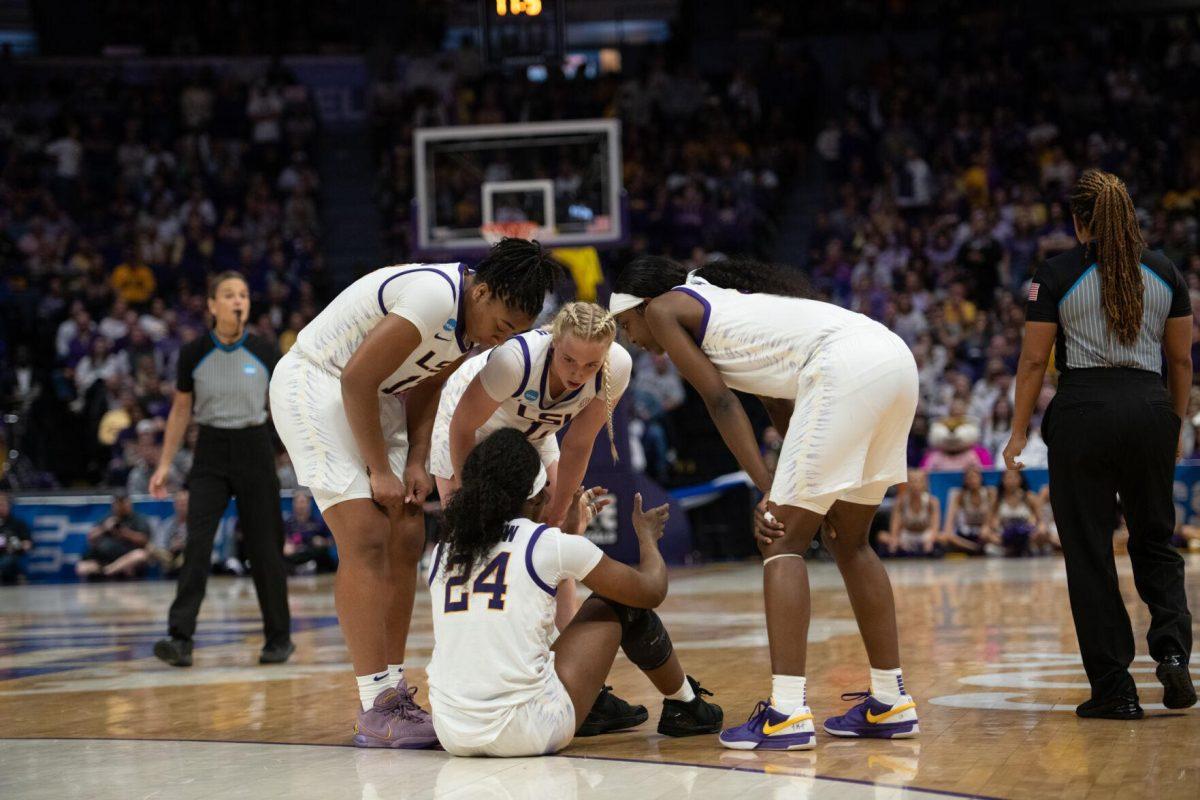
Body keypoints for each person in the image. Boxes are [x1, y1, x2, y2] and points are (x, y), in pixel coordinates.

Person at [612, 255, 919, 750]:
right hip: (893, 360)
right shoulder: (732, 311)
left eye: (627, 324)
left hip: (844, 365)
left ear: (644, 306)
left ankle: (787, 712)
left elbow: (720, 402)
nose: (632, 338)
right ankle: (890, 700)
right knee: (849, 541)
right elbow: (779, 403)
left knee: (780, 541)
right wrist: (786, 486)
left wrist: (769, 491)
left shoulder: (668, 309)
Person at [269, 238, 561, 748]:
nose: (500, 340)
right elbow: (357, 377)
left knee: (407, 530)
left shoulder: (471, 325)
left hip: (374, 395)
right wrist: (381, 469)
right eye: (502, 327)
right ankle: (373, 703)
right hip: (318, 381)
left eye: (515, 334)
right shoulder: (432, 294)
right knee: (364, 533)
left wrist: (418, 460)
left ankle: (393, 692)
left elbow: (427, 386)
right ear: (483, 291)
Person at [1004, 168, 1196, 718]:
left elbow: (1035, 360)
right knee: (1156, 541)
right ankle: (1174, 656)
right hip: (1149, 408)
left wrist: (1018, 432)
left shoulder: (1056, 274)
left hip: (1083, 410)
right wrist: (1174, 424)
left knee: (1090, 554)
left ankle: (1116, 690)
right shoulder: (1164, 271)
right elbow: (1181, 360)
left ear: (1077, 221)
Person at [424, 428, 722, 756]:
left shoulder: (445, 548)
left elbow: (522, 610)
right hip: (526, 730)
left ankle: (596, 704)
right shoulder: (545, 544)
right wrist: (646, 539)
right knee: (619, 599)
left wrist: (570, 536)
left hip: (453, 732)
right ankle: (686, 706)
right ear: (537, 495)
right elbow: (651, 591)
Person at [430, 300, 641, 735]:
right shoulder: (515, 360)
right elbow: (461, 427)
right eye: (568, 359)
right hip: (471, 426)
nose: (578, 372)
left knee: (557, 540)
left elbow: (581, 443)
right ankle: (474, 684)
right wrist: (473, 502)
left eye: (589, 363)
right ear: (552, 341)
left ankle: (574, 684)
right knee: (471, 544)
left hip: (537, 431)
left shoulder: (616, 365)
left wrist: (558, 512)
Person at [152, 271, 293, 669]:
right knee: (196, 545)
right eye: (229, 295)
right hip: (210, 450)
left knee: (265, 547)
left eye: (244, 295)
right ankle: (180, 639)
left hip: (255, 447)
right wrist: (164, 465)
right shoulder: (193, 352)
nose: (238, 301)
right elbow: (181, 410)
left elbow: (282, 406)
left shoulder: (265, 351)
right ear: (212, 305)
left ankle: (278, 639)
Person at [76, 491, 152, 579]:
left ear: (129, 503)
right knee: (81, 567)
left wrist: (124, 533)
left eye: (123, 503)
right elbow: (90, 537)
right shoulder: (108, 519)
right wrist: (104, 528)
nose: (121, 506)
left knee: (140, 555)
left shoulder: (138, 519)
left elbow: (144, 540)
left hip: (125, 558)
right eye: (118, 503)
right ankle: (107, 571)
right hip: (104, 559)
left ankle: (107, 571)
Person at [883, 469, 940, 557]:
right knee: (882, 536)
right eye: (912, 481)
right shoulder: (900, 501)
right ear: (907, 483)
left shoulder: (932, 502)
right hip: (906, 535)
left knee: (943, 538)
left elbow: (935, 526)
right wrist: (894, 540)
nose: (916, 485)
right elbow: (895, 523)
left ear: (925, 483)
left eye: (919, 481)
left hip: (925, 535)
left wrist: (931, 540)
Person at [939, 465, 995, 555]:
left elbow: (991, 517)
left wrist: (987, 526)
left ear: (981, 478)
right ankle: (976, 549)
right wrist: (947, 532)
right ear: (965, 480)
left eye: (975, 477)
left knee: (989, 535)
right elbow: (949, 523)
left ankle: (982, 548)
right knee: (946, 537)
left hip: (983, 534)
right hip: (965, 535)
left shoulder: (990, 493)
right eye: (969, 478)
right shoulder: (959, 495)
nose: (972, 480)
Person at [988, 469, 1042, 557]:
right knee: (986, 535)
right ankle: (1011, 549)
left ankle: (1022, 548)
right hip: (1003, 535)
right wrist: (994, 525)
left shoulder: (1029, 496)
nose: (1011, 481)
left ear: (1020, 479)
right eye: (1008, 477)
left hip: (1027, 534)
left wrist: (1034, 525)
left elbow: (1039, 520)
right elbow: (989, 523)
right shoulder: (997, 499)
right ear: (1003, 480)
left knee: (1042, 532)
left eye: (1014, 477)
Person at [283, 490, 336, 574]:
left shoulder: (319, 522)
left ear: (309, 504)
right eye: (298, 502)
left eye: (303, 502)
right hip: (295, 556)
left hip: (314, 555)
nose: (300, 505)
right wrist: (286, 545)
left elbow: (332, 540)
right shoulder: (288, 523)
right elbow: (283, 540)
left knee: (324, 556)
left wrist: (323, 541)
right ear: (293, 504)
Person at [0, 491, 33, 584]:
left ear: (9, 506)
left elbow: (28, 544)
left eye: (3, 504)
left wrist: (17, 545)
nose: (0, 508)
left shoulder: (17, 524)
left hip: (10, 556)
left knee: (8, 561)